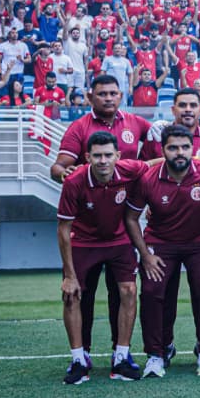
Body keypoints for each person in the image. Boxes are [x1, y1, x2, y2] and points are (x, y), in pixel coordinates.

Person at [51, 74, 153, 356]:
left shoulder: (136, 123)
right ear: (90, 97)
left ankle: (120, 352)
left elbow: (157, 155)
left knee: (121, 293)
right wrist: (68, 175)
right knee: (80, 295)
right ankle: (80, 355)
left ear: (121, 96)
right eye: (102, 93)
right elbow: (58, 167)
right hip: (86, 230)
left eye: (113, 93)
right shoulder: (79, 128)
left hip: (121, 228)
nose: (108, 98)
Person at [125, 125, 200, 378]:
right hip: (160, 243)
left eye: (185, 147)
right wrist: (145, 255)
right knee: (152, 291)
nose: (179, 153)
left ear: (193, 149)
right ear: (163, 149)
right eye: (173, 148)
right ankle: (158, 353)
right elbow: (130, 218)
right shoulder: (147, 178)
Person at [56, 132, 147, 384]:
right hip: (83, 243)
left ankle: (121, 357)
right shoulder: (74, 182)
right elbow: (63, 229)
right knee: (72, 294)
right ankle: (78, 359)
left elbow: (156, 163)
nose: (103, 160)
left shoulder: (129, 169)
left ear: (118, 156)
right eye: (97, 155)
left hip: (118, 241)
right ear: (87, 157)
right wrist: (69, 275)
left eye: (108, 155)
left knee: (128, 290)